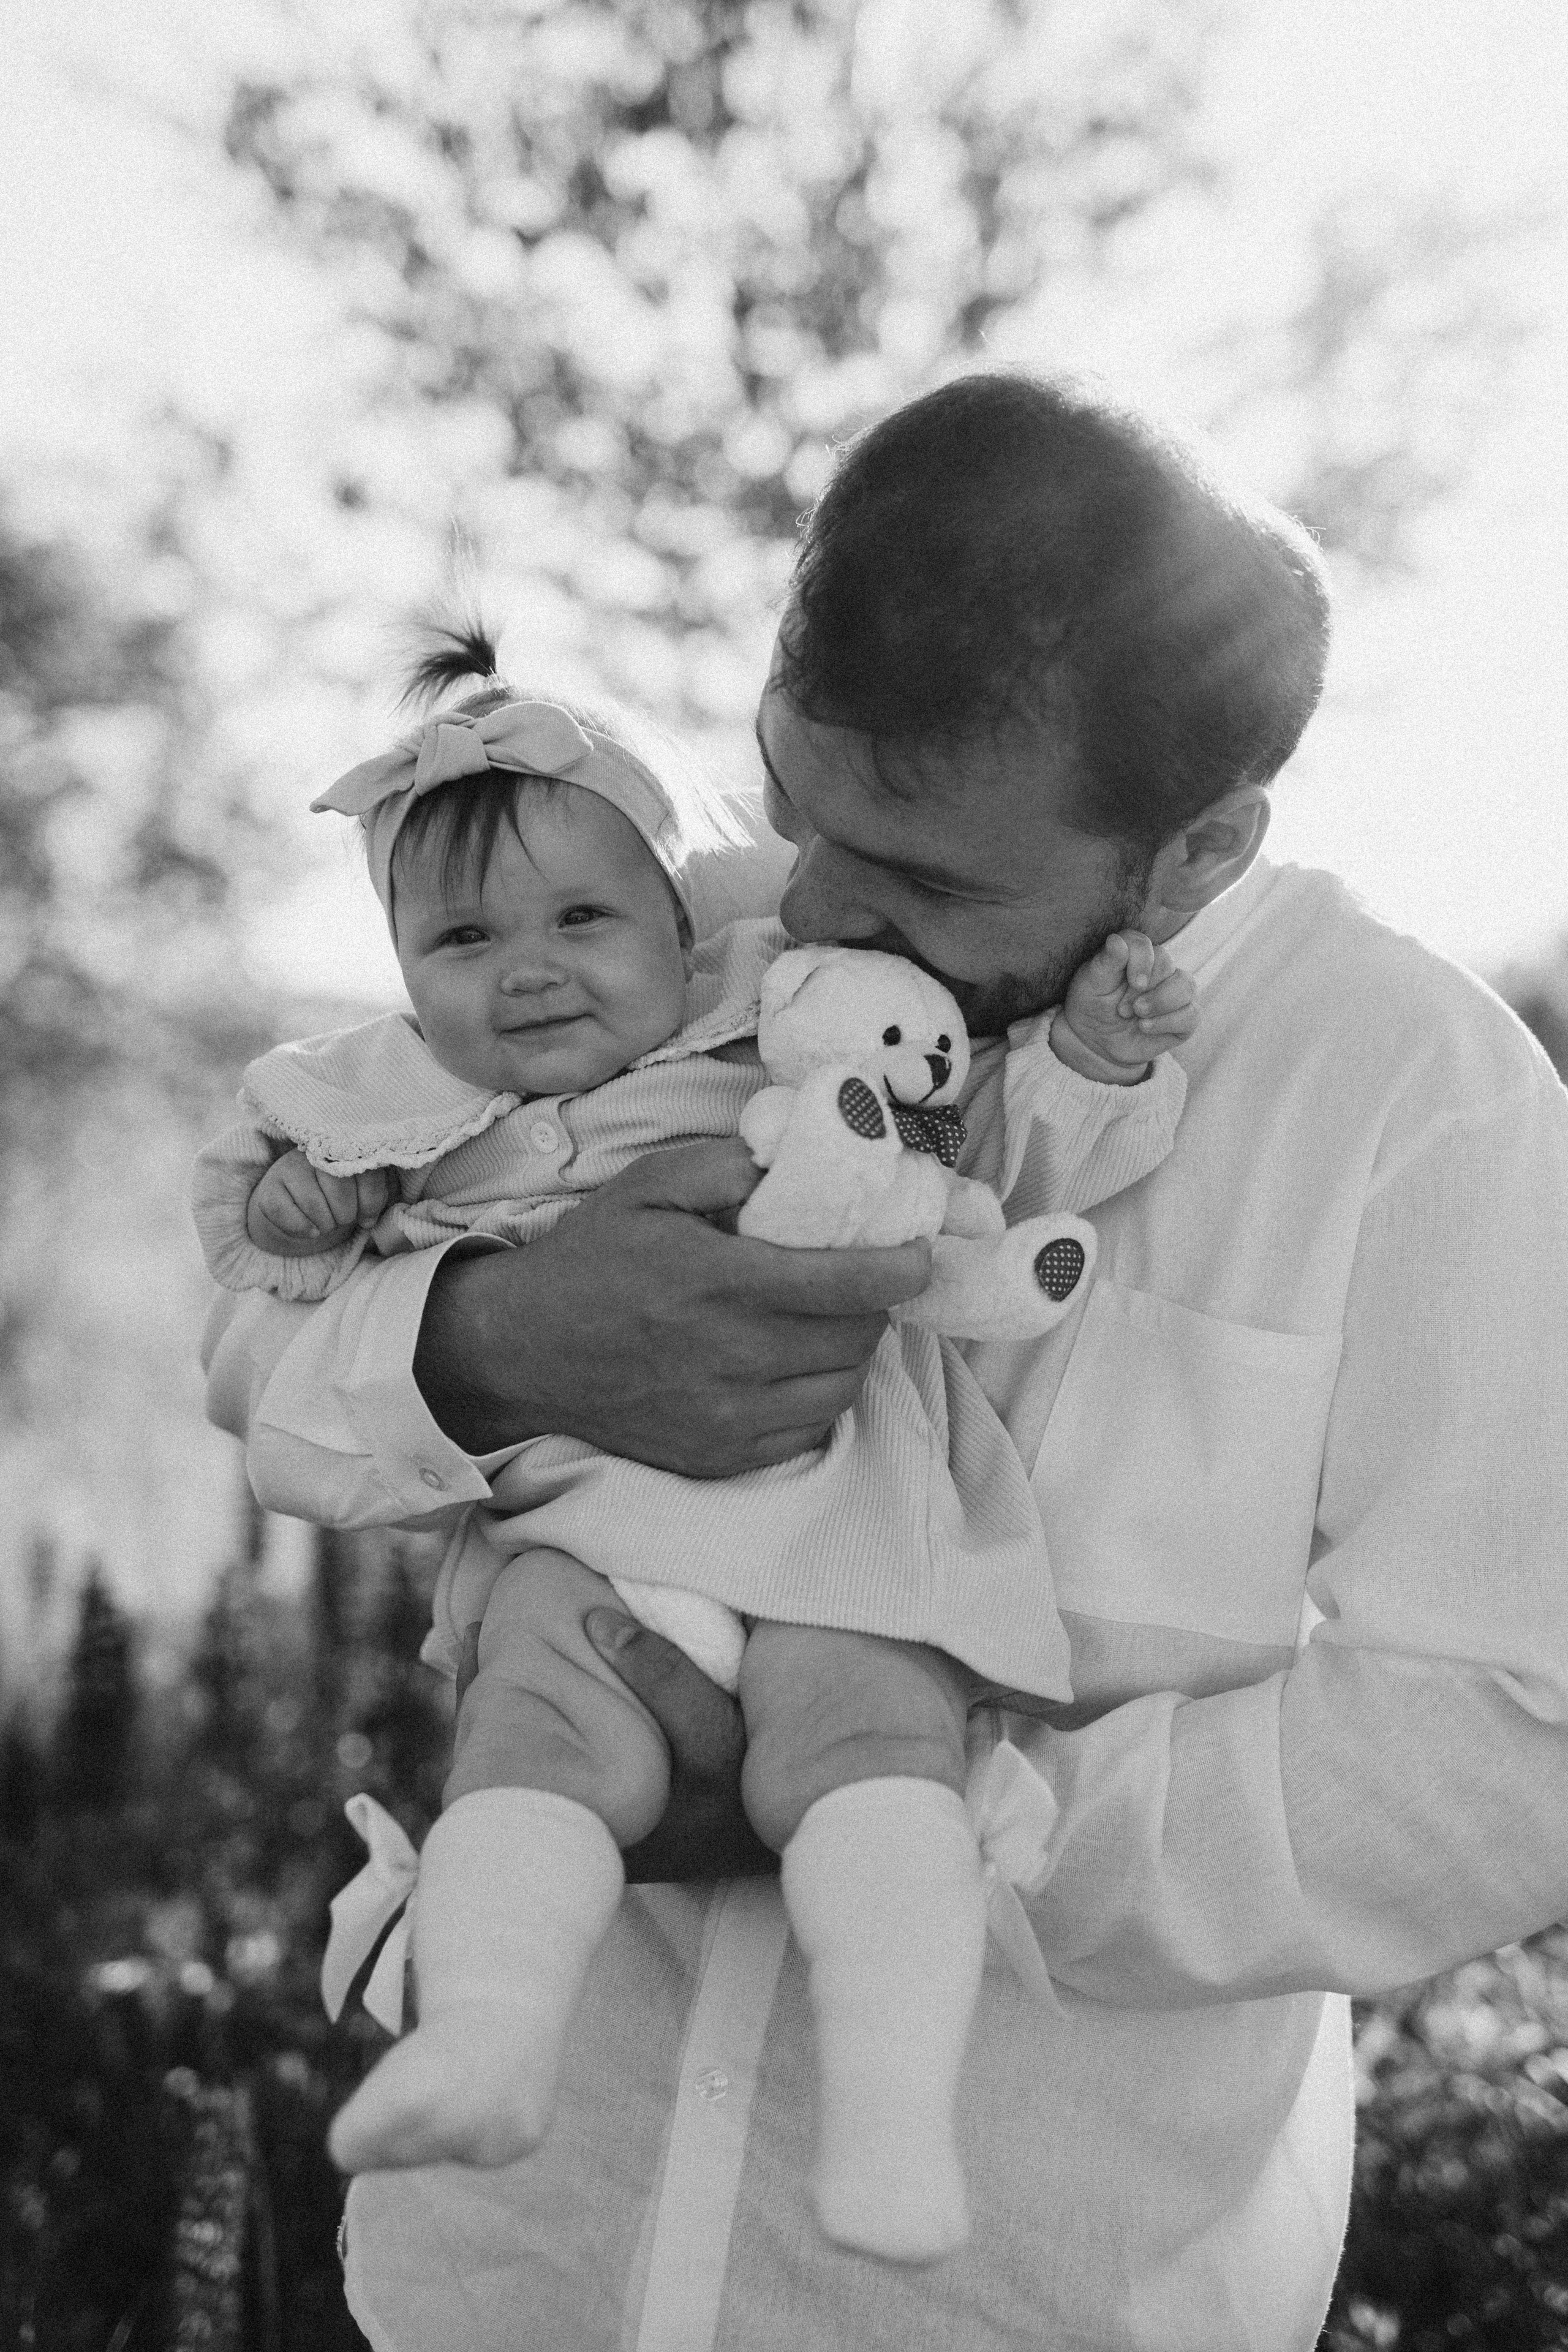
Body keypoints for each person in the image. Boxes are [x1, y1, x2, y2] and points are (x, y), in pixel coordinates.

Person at [203, 373, 1568, 2352]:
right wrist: (487, 1346)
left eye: (925, 881)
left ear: (1196, 853)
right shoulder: (676, 939)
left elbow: (1514, 1732)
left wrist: (918, 1810)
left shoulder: (1418, 1103)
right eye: (788, 800)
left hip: (1016, 2298)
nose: (817, 900)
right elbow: (263, 1305)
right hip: (513, 2266)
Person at [192, 641, 1193, 2256]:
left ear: (681, 921)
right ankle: (489, 2041)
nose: (526, 970)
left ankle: (890, 2122)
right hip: (576, 1538)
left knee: (870, 1743)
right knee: (533, 1738)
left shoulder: (782, 1027)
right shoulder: (401, 1120)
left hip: (833, 1510)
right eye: (460, 938)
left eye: (582, 920)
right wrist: (311, 1220)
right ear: (399, 972)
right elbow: (273, 1319)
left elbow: (980, 1151)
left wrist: (1095, 1055)